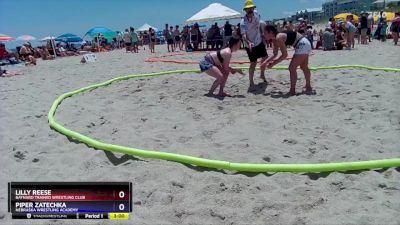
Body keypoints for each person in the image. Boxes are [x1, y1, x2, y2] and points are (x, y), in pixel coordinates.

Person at [261, 25, 312, 96]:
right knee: (304, 67)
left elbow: (284, 55)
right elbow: (275, 54)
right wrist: (265, 62)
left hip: (302, 44)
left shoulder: (279, 37)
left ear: (271, 32)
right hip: (305, 43)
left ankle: (292, 91)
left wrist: (273, 64)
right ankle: (308, 86)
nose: (263, 34)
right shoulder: (274, 40)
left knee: (292, 68)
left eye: (265, 32)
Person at [240, 0, 268, 88]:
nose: (250, 10)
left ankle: (262, 74)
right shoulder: (243, 22)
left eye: (251, 8)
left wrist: (263, 36)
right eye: (248, 9)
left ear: (253, 8)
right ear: (245, 10)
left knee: (265, 57)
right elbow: (243, 35)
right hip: (249, 44)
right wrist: (249, 42)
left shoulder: (257, 14)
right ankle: (251, 82)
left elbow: (259, 25)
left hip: (259, 40)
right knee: (253, 63)